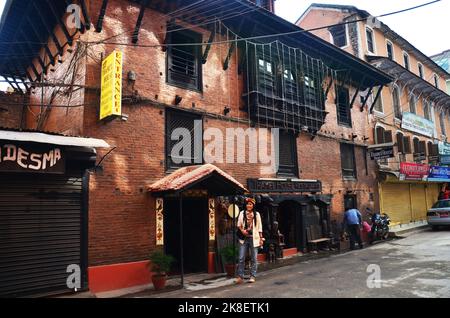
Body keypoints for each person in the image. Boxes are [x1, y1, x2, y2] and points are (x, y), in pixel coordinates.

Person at [235, 197, 264, 284]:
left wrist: (261, 238)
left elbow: (259, 227)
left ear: (253, 205)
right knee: (241, 258)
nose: (249, 205)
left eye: (250, 204)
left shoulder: (257, 214)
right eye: (248, 204)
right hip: (243, 239)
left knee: (254, 258)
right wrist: (242, 231)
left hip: (254, 238)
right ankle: (240, 276)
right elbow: (239, 225)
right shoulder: (242, 213)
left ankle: (252, 276)